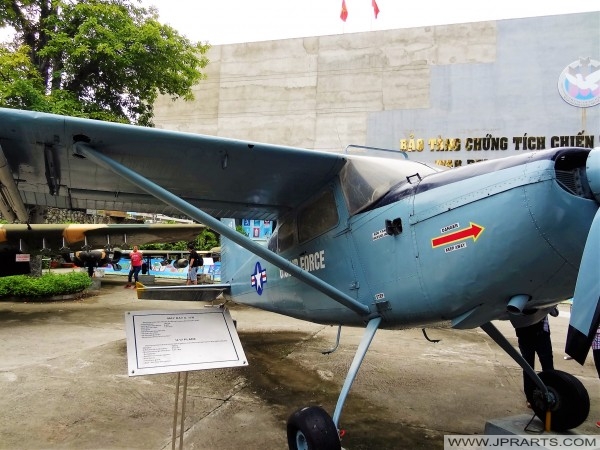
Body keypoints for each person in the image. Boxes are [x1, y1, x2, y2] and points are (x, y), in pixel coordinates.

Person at [514, 308, 558, 405]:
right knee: (528, 367)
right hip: (525, 335)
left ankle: (552, 393)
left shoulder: (542, 298)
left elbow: (554, 313)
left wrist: (550, 306)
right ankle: (530, 398)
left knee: (547, 367)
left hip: (541, 335)